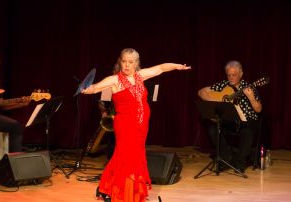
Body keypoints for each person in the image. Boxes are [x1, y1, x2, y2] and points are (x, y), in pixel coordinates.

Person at [82, 48, 191, 202]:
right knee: (126, 158)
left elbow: (160, 68)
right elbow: (96, 87)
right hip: (125, 126)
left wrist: (177, 66)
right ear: (120, 62)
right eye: (124, 61)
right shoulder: (114, 80)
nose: (127, 65)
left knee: (132, 157)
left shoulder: (140, 76)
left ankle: (108, 187)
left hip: (141, 126)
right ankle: (121, 193)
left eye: (131, 62)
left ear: (136, 63)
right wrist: (87, 89)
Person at [198, 60, 262, 173]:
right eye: (229, 75)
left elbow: (258, 109)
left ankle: (239, 163)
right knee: (213, 129)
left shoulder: (248, 87)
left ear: (241, 74)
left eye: (234, 75)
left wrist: (251, 97)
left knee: (248, 132)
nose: (231, 78)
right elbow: (201, 92)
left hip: (245, 121)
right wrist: (216, 101)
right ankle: (226, 158)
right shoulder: (223, 85)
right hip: (228, 120)